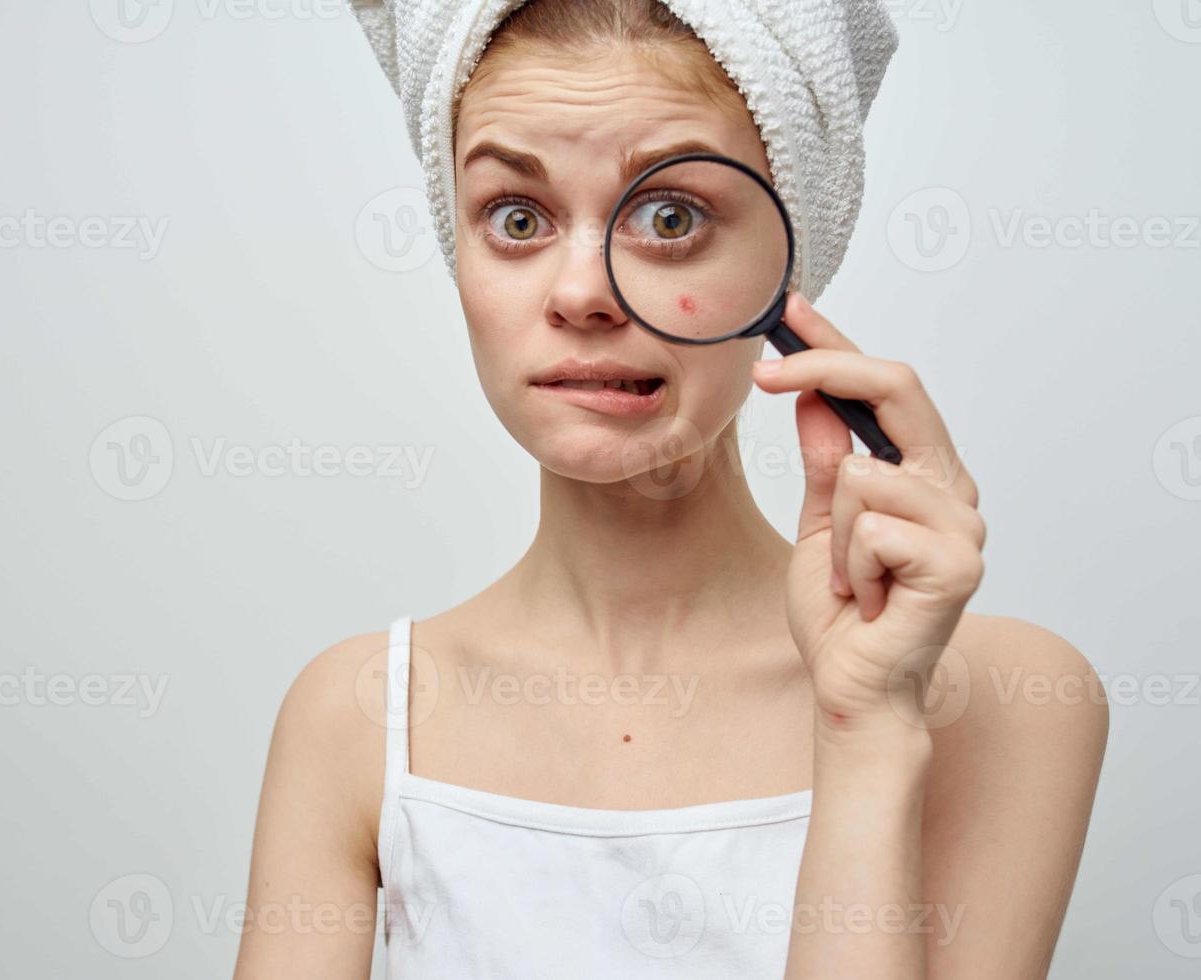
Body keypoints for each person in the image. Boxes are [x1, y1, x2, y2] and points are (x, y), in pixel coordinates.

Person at [234, 0, 1108, 976]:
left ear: (784, 265)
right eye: (516, 218)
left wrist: (866, 729)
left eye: (669, 216)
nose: (580, 292)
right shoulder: (356, 716)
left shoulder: (1004, 701)